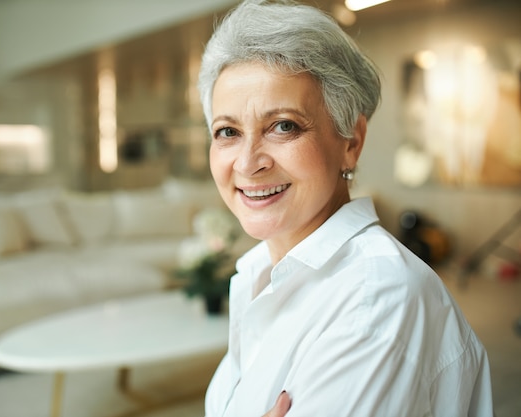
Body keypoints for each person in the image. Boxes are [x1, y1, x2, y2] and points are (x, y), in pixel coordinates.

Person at [196, 0, 494, 416]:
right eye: (227, 131)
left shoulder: (374, 301)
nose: (248, 163)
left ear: (351, 141)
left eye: (284, 126)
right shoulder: (258, 274)